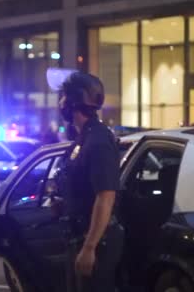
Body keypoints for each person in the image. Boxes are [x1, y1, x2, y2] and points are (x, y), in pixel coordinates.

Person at [48, 68, 124, 292]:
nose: (60, 103)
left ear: (72, 103)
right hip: (79, 235)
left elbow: (105, 196)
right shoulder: (84, 138)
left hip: (96, 241)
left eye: (63, 97)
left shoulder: (98, 141)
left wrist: (90, 247)